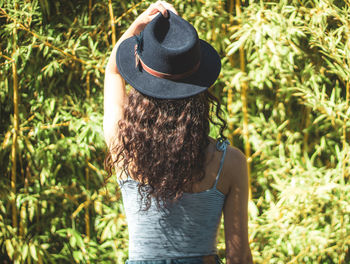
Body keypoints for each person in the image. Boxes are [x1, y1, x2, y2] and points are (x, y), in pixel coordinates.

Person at [103, 1, 253, 263]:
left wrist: (138, 27)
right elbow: (238, 257)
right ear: (201, 91)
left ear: (142, 90)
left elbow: (113, 71)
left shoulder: (123, 148)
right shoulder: (229, 163)